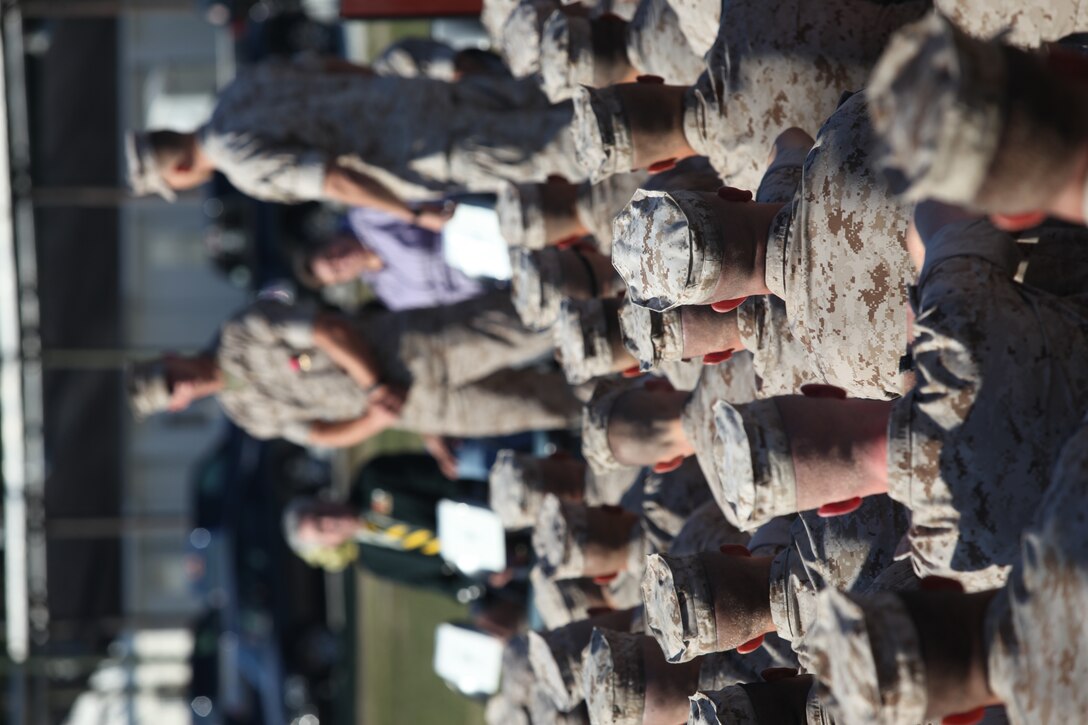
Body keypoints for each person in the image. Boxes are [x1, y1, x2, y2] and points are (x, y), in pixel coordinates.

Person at [612, 93, 915, 400]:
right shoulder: (842, 137)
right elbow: (789, 140)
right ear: (733, 193)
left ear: (728, 302)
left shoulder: (839, 362)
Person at [125, 58, 584, 226]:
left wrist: (409, 214)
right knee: (567, 94)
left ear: (179, 171)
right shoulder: (238, 88)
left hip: (426, 148)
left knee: (576, 142)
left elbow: (336, 178)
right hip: (418, 97)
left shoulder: (240, 162)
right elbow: (330, 66)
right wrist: (387, 90)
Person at [126, 291, 581, 448]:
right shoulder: (247, 415)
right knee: (550, 407)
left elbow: (327, 329)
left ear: (172, 355)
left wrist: (375, 385)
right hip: (422, 408)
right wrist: (374, 418)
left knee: (543, 323)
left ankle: (632, 280)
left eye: (171, 375)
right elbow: (320, 433)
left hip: (418, 350)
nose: (180, 383)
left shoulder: (240, 333)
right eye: (172, 391)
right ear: (178, 404)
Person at [295, 206, 484, 311]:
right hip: (493, 283)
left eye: (330, 255)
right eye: (336, 271)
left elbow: (430, 203)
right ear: (343, 280)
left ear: (329, 238)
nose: (340, 261)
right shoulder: (391, 295)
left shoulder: (366, 215)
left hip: (479, 230)